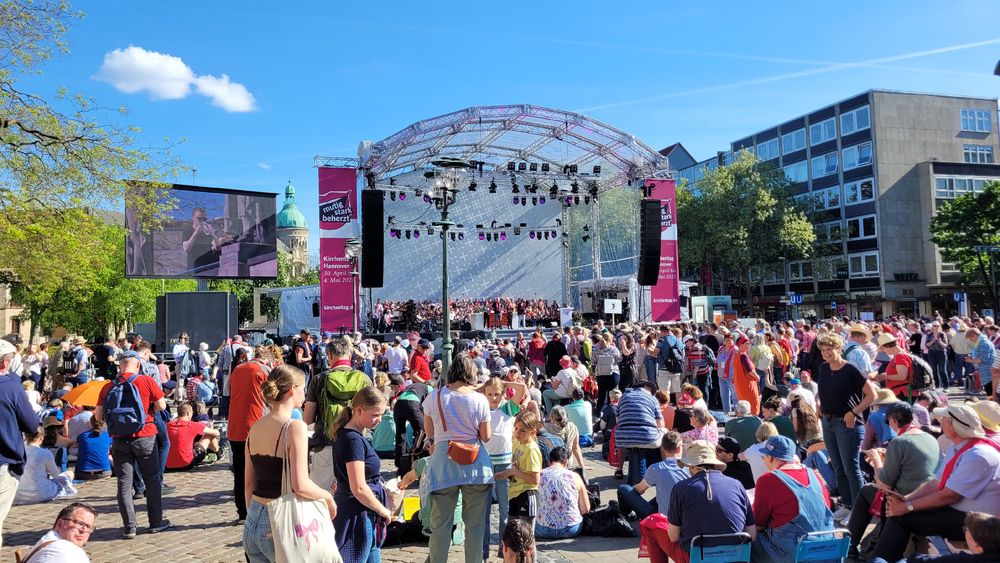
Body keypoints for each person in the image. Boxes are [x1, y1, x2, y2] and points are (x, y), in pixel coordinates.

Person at [870, 404, 1000, 562]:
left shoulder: (979, 455)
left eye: (944, 419)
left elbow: (950, 496)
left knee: (902, 517)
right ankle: (881, 558)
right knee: (899, 513)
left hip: (981, 523)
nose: (940, 421)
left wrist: (907, 507)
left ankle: (879, 558)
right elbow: (936, 483)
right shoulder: (960, 448)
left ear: (953, 425)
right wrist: (907, 499)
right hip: (963, 515)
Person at [243, 364, 337, 563]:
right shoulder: (294, 427)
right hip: (278, 520)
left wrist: (254, 517)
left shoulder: (255, 427)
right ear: (293, 389)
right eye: (303, 387)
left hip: (253, 518)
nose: (304, 393)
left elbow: (248, 484)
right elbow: (300, 484)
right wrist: (327, 497)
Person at [422, 353, 494, 563]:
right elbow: (486, 437)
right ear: (473, 374)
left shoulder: (434, 397)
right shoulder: (479, 399)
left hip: (443, 465)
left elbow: (430, 434)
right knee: (475, 526)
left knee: (440, 527)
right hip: (476, 467)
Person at [846, 402, 939, 558]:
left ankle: (850, 547)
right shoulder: (929, 438)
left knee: (866, 490)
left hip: (904, 499)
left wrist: (876, 460)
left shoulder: (899, 441)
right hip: (926, 496)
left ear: (894, 421)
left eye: (888, 422)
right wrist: (886, 457)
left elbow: (884, 485)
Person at [94, 352, 170, 538]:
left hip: (120, 439)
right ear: (137, 365)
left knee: (124, 484)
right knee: (152, 480)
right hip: (145, 436)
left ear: (120, 366)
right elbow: (162, 405)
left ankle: (130, 526)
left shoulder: (108, 386)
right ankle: (155, 521)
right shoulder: (145, 381)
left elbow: (98, 416)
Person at [641, 440, 755, 563]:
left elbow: (673, 537)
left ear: (692, 466)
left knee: (651, 523)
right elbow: (752, 535)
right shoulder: (737, 485)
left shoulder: (681, 488)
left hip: (696, 558)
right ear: (715, 463)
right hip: (735, 557)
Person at [815, 332, 877, 522]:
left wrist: (853, 412)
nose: (826, 353)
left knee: (851, 468)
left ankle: (860, 510)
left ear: (838, 348)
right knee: (838, 467)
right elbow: (823, 391)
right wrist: (819, 405)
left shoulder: (851, 369)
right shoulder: (824, 368)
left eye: (830, 349)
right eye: (823, 350)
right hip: (828, 421)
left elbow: (872, 395)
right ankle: (848, 505)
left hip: (847, 423)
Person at [330, 386, 391, 563]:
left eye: (381, 414)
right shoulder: (353, 440)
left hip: (361, 510)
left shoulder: (349, 435)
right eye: (375, 414)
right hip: (357, 513)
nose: (379, 420)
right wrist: (383, 510)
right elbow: (358, 487)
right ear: (358, 410)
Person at [751, 435, 834, 563]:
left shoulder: (768, 480)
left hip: (796, 550)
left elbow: (758, 525)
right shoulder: (813, 474)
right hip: (826, 546)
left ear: (770, 458)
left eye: (764, 457)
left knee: (749, 538)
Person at [303, 337, 372, 492]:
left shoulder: (319, 380)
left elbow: (307, 419)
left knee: (322, 500)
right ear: (349, 356)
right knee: (354, 494)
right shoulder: (364, 380)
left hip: (326, 445)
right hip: (356, 445)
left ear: (330, 356)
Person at [481, 375, 527, 560]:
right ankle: (483, 551)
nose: (493, 397)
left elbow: (522, 388)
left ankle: (504, 548)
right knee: (483, 510)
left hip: (504, 463)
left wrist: (504, 383)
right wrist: (485, 385)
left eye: (497, 394)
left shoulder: (508, 408)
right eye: (490, 394)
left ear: (503, 394)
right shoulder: (481, 409)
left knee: (504, 509)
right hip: (484, 462)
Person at [227, 346, 269, 524]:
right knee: (259, 473)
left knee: (240, 472)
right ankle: (257, 511)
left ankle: (242, 512)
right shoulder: (263, 370)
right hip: (255, 425)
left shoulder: (237, 369)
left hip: (235, 427)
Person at [495, 410, 542, 554]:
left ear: (532, 432)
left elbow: (535, 479)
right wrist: (496, 476)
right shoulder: (517, 444)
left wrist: (515, 472)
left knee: (526, 537)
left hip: (527, 495)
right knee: (514, 535)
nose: (518, 432)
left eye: (522, 430)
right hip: (515, 493)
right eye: (516, 428)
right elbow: (513, 470)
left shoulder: (531, 449)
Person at [616, 431, 687, 520]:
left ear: (663, 448)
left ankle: (629, 514)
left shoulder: (656, 468)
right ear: (679, 448)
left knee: (623, 488)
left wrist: (633, 491)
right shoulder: (690, 468)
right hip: (684, 515)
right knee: (665, 493)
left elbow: (639, 489)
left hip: (662, 518)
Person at [615, 381, 665, 485]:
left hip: (623, 438)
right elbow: (660, 424)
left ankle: (619, 468)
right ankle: (665, 469)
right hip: (648, 438)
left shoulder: (623, 397)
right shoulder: (652, 399)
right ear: (646, 387)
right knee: (665, 433)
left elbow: (618, 420)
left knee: (623, 431)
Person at [535, 446, 589, 539]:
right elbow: (585, 509)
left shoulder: (539, 475)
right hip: (571, 529)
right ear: (566, 462)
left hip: (542, 529)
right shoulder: (575, 476)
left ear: (549, 461)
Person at [13, 426, 76, 505]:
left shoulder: (17, 453)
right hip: (42, 494)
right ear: (41, 437)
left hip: (18, 496)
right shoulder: (45, 453)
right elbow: (56, 475)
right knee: (70, 473)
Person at [20, 502, 97, 563]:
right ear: (59, 524)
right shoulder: (65, 550)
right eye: (79, 523)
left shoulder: (47, 540)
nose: (83, 530)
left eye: (89, 527)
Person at [165, 403, 221, 471]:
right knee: (210, 434)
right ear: (188, 413)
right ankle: (219, 453)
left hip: (168, 465)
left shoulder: (167, 425)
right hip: (187, 463)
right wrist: (211, 428)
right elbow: (216, 433)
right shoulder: (192, 425)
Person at [393, 372, 428, 477]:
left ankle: (401, 465)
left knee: (400, 434)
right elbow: (428, 409)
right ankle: (417, 460)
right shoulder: (430, 389)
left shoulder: (413, 386)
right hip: (412, 404)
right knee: (422, 432)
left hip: (398, 404)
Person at [591, 333, 622, 415]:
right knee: (611, 395)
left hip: (601, 374)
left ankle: (598, 414)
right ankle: (610, 414)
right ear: (610, 339)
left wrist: (594, 373)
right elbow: (619, 360)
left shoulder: (595, 349)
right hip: (613, 374)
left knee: (601, 395)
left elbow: (593, 362)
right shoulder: (614, 349)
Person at [74, 416, 112, 480]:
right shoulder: (108, 436)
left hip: (83, 474)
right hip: (104, 473)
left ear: (90, 423)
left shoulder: (82, 436)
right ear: (104, 423)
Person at [732, 334, 761, 416]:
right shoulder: (743, 356)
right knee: (753, 404)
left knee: (744, 405)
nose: (749, 345)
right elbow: (750, 370)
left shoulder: (737, 355)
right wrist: (757, 377)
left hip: (740, 384)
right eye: (747, 343)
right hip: (747, 385)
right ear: (741, 345)